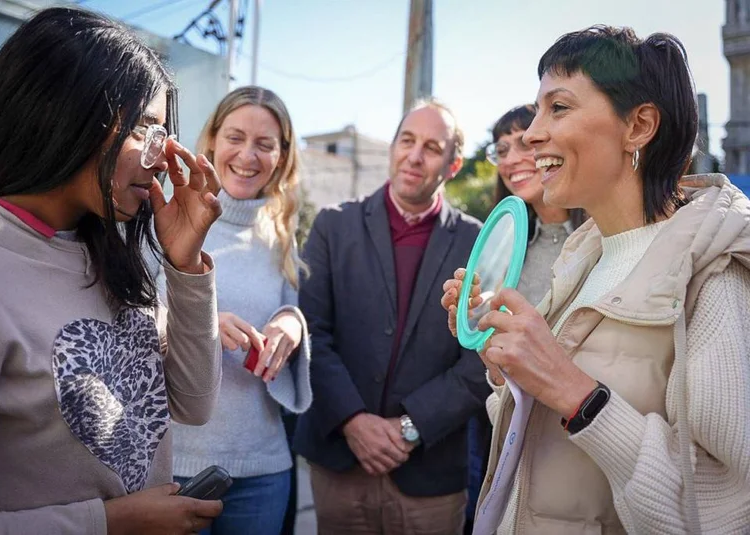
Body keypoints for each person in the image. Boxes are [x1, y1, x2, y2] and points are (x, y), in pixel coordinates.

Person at [443, 26, 750, 534]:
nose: (531, 134)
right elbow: (539, 443)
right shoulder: (582, 259)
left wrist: (577, 395)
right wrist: (505, 363)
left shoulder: (714, 277)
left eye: (558, 107)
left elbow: (724, 513)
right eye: (536, 109)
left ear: (639, 126)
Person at [0, 8, 225, 535]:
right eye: (145, 129)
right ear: (67, 114)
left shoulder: (106, 250)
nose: (163, 154)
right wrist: (108, 523)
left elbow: (193, 401)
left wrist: (185, 265)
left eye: (164, 132)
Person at [294, 98, 490, 534]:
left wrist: (411, 426)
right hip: (340, 465)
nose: (415, 156)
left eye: (432, 148)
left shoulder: (479, 243)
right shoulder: (332, 226)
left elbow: (480, 359)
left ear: (453, 165)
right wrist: (352, 421)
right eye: (407, 140)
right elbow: (311, 332)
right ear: (392, 146)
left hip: (431, 475)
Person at [160, 86, 312, 535]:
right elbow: (130, 322)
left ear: (281, 158)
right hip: (172, 465)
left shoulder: (281, 236)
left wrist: (291, 323)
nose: (248, 155)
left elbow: (292, 308)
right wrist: (199, 325)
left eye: (265, 144)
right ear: (211, 142)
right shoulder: (166, 219)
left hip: (263, 467)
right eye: (235, 137)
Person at [459, 104, 587, 534]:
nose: (512, 158)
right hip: (504, 424)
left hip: (581, 425)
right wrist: (471, 320)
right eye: (500, 149)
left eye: (522, 141)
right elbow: (489, 347)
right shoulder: (500, 247)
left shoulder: (600, 239)